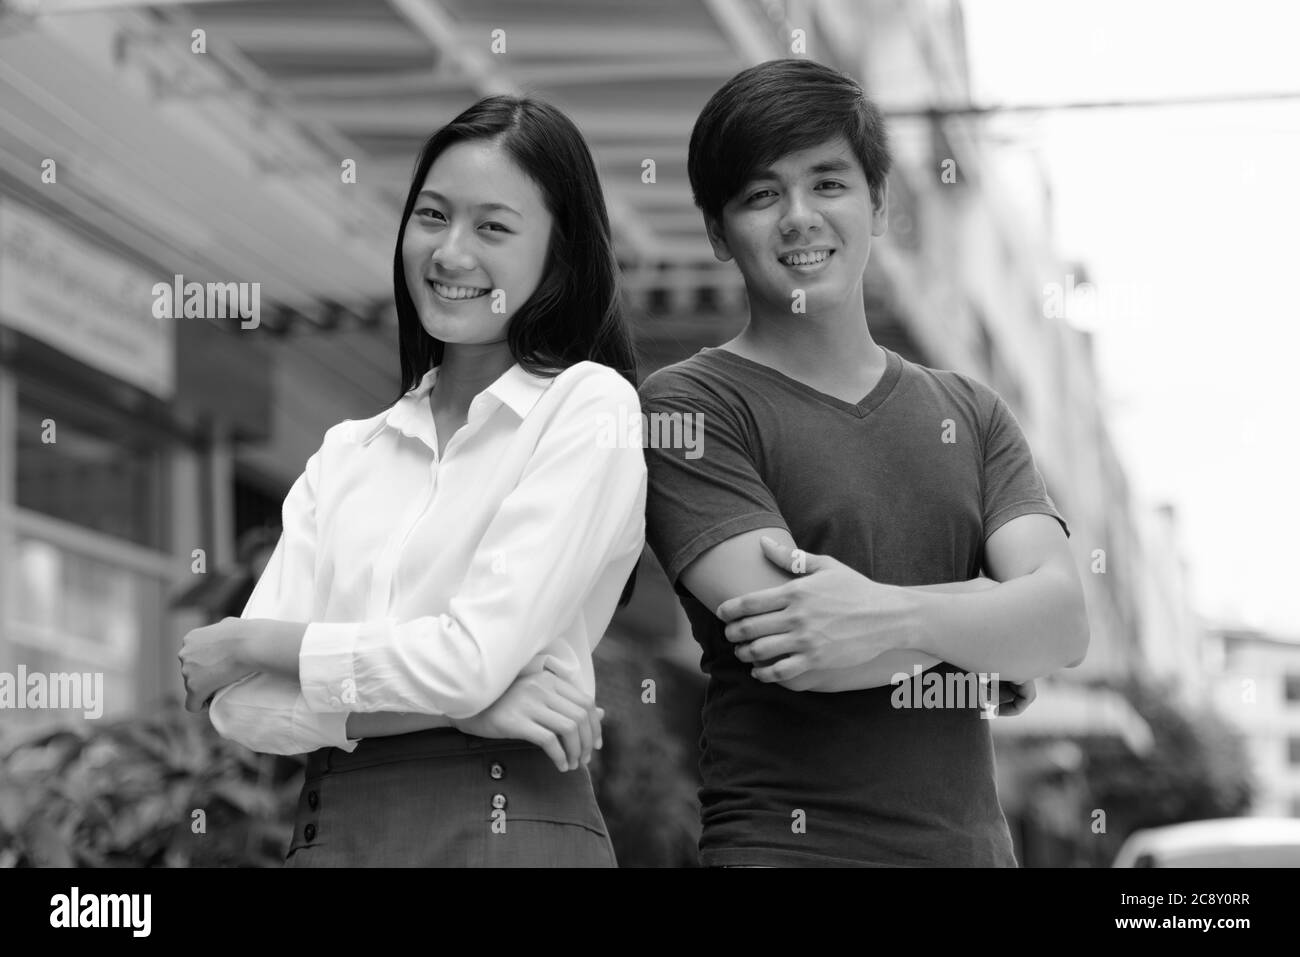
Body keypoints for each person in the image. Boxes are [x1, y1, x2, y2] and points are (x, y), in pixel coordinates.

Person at [638, 59, 1089, 867]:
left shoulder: (972, 412)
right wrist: (988, 628)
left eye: (828, 183)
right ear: (717, 230)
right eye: (761, 195)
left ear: (879, 202)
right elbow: (801, 642)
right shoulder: (687, 408)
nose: (800, 217)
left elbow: (1062, 623)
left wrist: (895, 618)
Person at [179, 95, 646, 867]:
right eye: (432, 216)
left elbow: (467, 658)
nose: (451, 253)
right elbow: (244, 707)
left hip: (507, 832)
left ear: (560, 255)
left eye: (493, 227)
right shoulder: (346, 454)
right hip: (334, 835)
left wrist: (254, 638)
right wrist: (475, 708)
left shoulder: (588, 408)